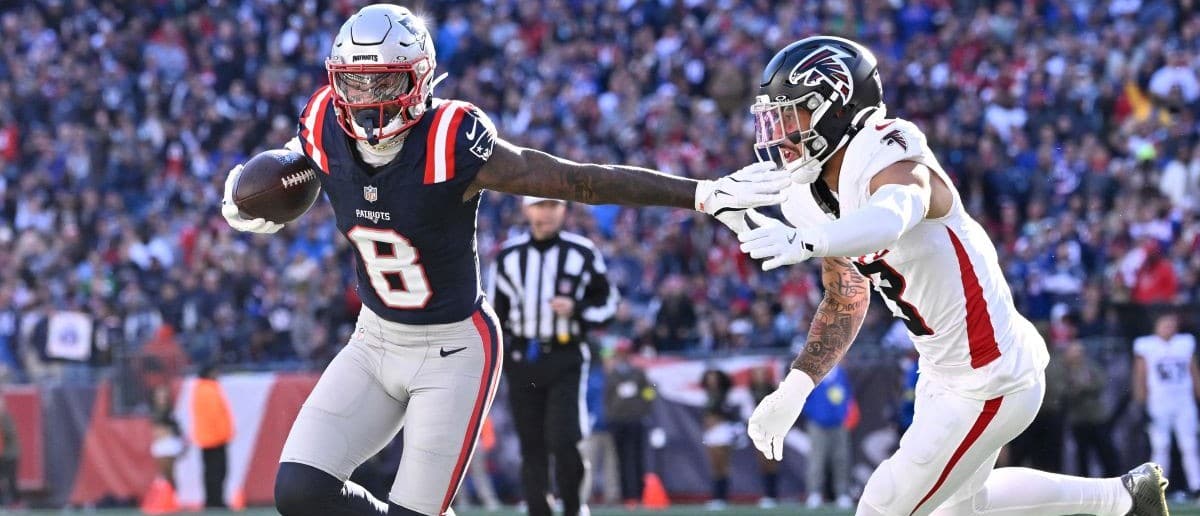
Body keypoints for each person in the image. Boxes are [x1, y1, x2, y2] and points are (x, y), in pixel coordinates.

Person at [220, 6, 788, 516]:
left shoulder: (451, 137)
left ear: (418, 77)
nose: (367, 98)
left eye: (383, 80)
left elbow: (575, 181)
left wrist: (700, 193)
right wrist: (247, 195)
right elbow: (291, 167)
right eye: (355, 81)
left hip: (452, 351)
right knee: (298, 491)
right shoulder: (321, 121)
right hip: (372, 341)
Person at [728, 36, 1168, 515]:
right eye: (776, 117)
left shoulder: (888, 152)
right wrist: (796, 387)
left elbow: (892, 215)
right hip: (943, 368)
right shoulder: (808, 191)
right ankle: (1125, 499)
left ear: (839, 106)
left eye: (794, 115)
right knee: (965, 507)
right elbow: (846, 295)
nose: (781, 133)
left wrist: (808, 242)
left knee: (882, 506)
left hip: (989, 373)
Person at [487, 197, 619, 516]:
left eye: (551, 206)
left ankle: (574, 507)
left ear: (563, 210)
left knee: (564, 438)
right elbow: (494, 314)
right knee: (531, 445)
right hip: (522, 358)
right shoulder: (507, 256)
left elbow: (608, 304)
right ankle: (539, 511)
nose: (544, 213)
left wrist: (578, 309)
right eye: (538, 206)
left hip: (566, 354)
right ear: (525, 209)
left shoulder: (582, 252)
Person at [1133, 313, 1200, 496]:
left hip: (1183, 401)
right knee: (1160, 446)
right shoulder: (1147, 345)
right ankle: (1157, 488)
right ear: (1156, 326)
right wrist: (1141, 403)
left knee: (1190, 445)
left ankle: (1196, 486)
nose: (1168, 328)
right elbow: (1140, 376)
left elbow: (1193, 371)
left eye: (1171, 324)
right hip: (1159, 403)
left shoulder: (1185, 343)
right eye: (1165, 324)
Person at [603, 339, 654, 507]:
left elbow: (649, 392)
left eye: (625, 352)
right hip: (617, 420)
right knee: (620, 459)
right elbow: (607, 398)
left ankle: (638, 494)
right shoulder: (611, 374)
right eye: (620, 352)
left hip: (635, 419)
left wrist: (643, 408)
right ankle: (626, 495)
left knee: (637, 457)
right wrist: (611, 414)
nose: (623, 356)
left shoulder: (638, 373)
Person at [1062, 341, 1120, 477]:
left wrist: (1082, 387)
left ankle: (1112, 479)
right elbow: (1064, 390)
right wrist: (1082, 387)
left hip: (1097, 417)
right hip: (1078, 418)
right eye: (1074, 351)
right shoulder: (1064, 368)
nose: (1077, 354)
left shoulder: (1090, 365)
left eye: (1079, 351)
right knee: (1082, 455)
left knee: (1105, 451)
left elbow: (1101, 381)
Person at [802, 364, 855, 509]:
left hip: (839, 423)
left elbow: (848, 396)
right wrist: (814, 414)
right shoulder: (813, 374)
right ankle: (814, 493)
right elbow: (804, 398)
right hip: (817, 424)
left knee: (841, 459)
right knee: (817, 459)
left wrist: (843, 414)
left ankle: (842, 493)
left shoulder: (841, 373)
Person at [192, 364, 234, 508]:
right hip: (215, 438)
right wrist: (224, 433)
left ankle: (212, 500)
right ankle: (216, 501)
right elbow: (216, 415)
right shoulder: (209, 390)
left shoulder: (202, 389)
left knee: (211, 472)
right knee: (217, 472)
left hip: (208, 438)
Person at [748, 365, 781, 508]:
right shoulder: (750, 390)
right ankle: (768, 494)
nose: (759, 376)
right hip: (758, 428)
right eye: (756, 373)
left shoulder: (771, 389)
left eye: (761, 373)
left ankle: (772, 494)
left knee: (771, 461)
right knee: (762, 462)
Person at [0, 396, 18, 508]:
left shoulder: (5, 418)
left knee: (10, 479)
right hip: (3, 454)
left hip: (9, 454)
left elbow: (10, 434)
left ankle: (15, 502)